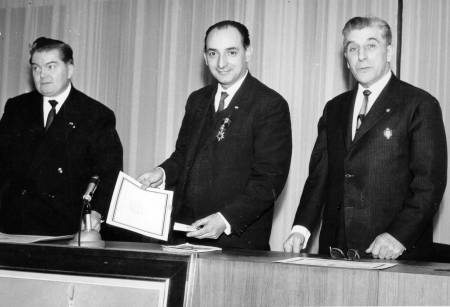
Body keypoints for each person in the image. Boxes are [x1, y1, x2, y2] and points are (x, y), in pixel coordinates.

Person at [283, 16, 447, 260]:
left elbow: (429, 185)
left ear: (388, 51)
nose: (361, 56)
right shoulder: (334, 108)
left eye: (371, 46)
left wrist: (398, 236)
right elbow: (319, 176)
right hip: (336, 248)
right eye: (352, 48)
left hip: (393, 252)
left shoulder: (419, 104)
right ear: (346, 59)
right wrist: (301, 229)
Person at [138, 20, 292, 250]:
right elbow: (183, 156)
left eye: (231, 52)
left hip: (236, 243)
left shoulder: (270, 105)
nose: (221, 63)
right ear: (204, 57)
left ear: (248, 52)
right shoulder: (197, 100)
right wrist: (162, 172)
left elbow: (269, 180)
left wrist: (226, 218)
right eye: (213, 53)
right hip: (184, 236)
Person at [0, 37, 123, 236]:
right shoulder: (16, 107)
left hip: (65, 226)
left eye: (51, 66)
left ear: (70, 69)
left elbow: (109, 174)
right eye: (36, 68)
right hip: (14, 224)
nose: (42, 75)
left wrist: (97, 213)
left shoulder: (96, 115)